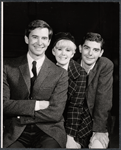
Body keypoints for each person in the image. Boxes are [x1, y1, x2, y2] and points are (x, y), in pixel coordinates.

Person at [3, 20, 68, 148]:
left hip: (49, 131)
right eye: (35, 37)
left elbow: (56, 112)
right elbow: (3, 104)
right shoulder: (7, 67)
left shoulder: (60, 73)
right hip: (16, 132)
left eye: (44, 38)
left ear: (49, 42)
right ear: (26, 39)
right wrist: (37, 105)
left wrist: (20, 116)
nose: (39, 42)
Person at [52, 32, 93, 148]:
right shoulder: (47, 69)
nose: (63, 53)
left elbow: (76, 107)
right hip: (54, 118)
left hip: (76, 121)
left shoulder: (80, 73)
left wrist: (70, 136)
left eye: (68, 50)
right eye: (59, 49)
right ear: (53, 51)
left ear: (73, 53)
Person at [77, 32, 114, 148]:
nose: (90, 53)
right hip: (74, 121)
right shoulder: (71, 65)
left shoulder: (104, 65)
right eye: (87, 48)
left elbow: (103, 99)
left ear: (101, 53)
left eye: (96, 50)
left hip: (96, 120)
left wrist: (99, 130)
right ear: (80, 48)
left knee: (97, 146)